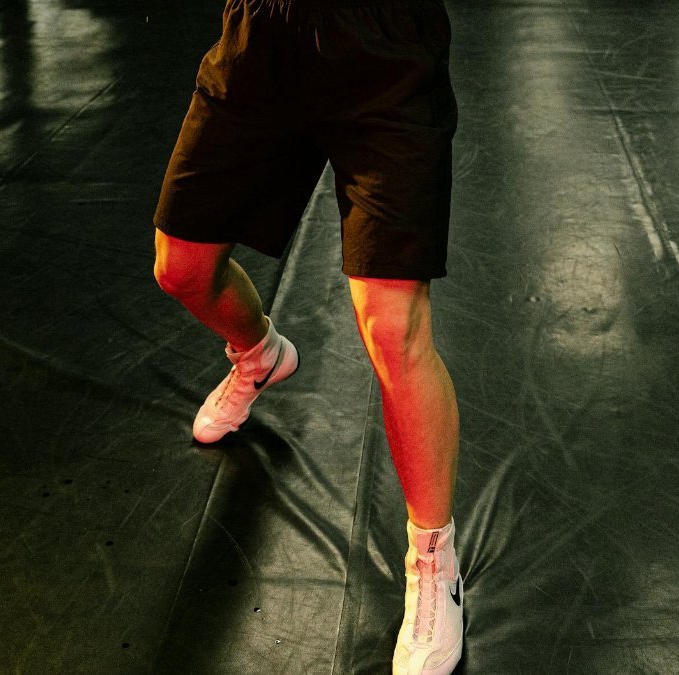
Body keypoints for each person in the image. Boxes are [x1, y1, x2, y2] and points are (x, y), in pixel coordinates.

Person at [152, 0, 463, 672]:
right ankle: (259, 354)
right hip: (264, 34)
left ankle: (435, 560)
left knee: (392, 327)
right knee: (181, 269)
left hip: (383, 46)